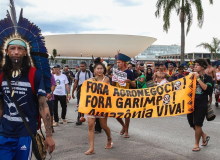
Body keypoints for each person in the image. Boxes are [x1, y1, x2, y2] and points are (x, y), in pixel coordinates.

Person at [0, 2, 55, 159]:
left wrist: (49, 135)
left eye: (20, 49)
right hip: (3, 135)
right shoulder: (2, 75)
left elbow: (43, 106)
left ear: (25, 52)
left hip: (25, 134)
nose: (16, 52)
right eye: (12, 48)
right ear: (6, 51)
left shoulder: (34, 74)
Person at [85, 58, 113, 155]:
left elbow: (99, 89)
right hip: (91, 106)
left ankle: (109, 139)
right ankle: (92, 148)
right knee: (90, 126)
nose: (99, 70)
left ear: (104, 70)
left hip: (102, 106)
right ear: (94, 70)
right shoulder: (89, 80)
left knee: (104, 126)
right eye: (98, 68)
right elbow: (86, 93)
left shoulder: (106, 79)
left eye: (101, 68)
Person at [187, 59, 212, 152]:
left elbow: (207, 89)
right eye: (195, 65)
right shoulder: (190, 76)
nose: (195, 66)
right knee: (192, 124)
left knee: (198, 124)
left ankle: (196, 144)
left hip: (201, 104)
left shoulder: (208, 78)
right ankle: (204, 135)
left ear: (203, 67)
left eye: (197, 65)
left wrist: (198, 79)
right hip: (190, 104)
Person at [112, 53, 136, 138]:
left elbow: (134, 85)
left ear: (123, 63)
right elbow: (113, 85)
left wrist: (129, 81)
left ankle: (126, 131)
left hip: (127, 95)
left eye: (119, 62)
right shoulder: (116, 72)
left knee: (127, 114)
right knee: (116, 114)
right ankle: (123, 125)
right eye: (117, 62)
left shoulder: (129, 72)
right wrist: (113, 79)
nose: (118, 64)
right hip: (117, 95)